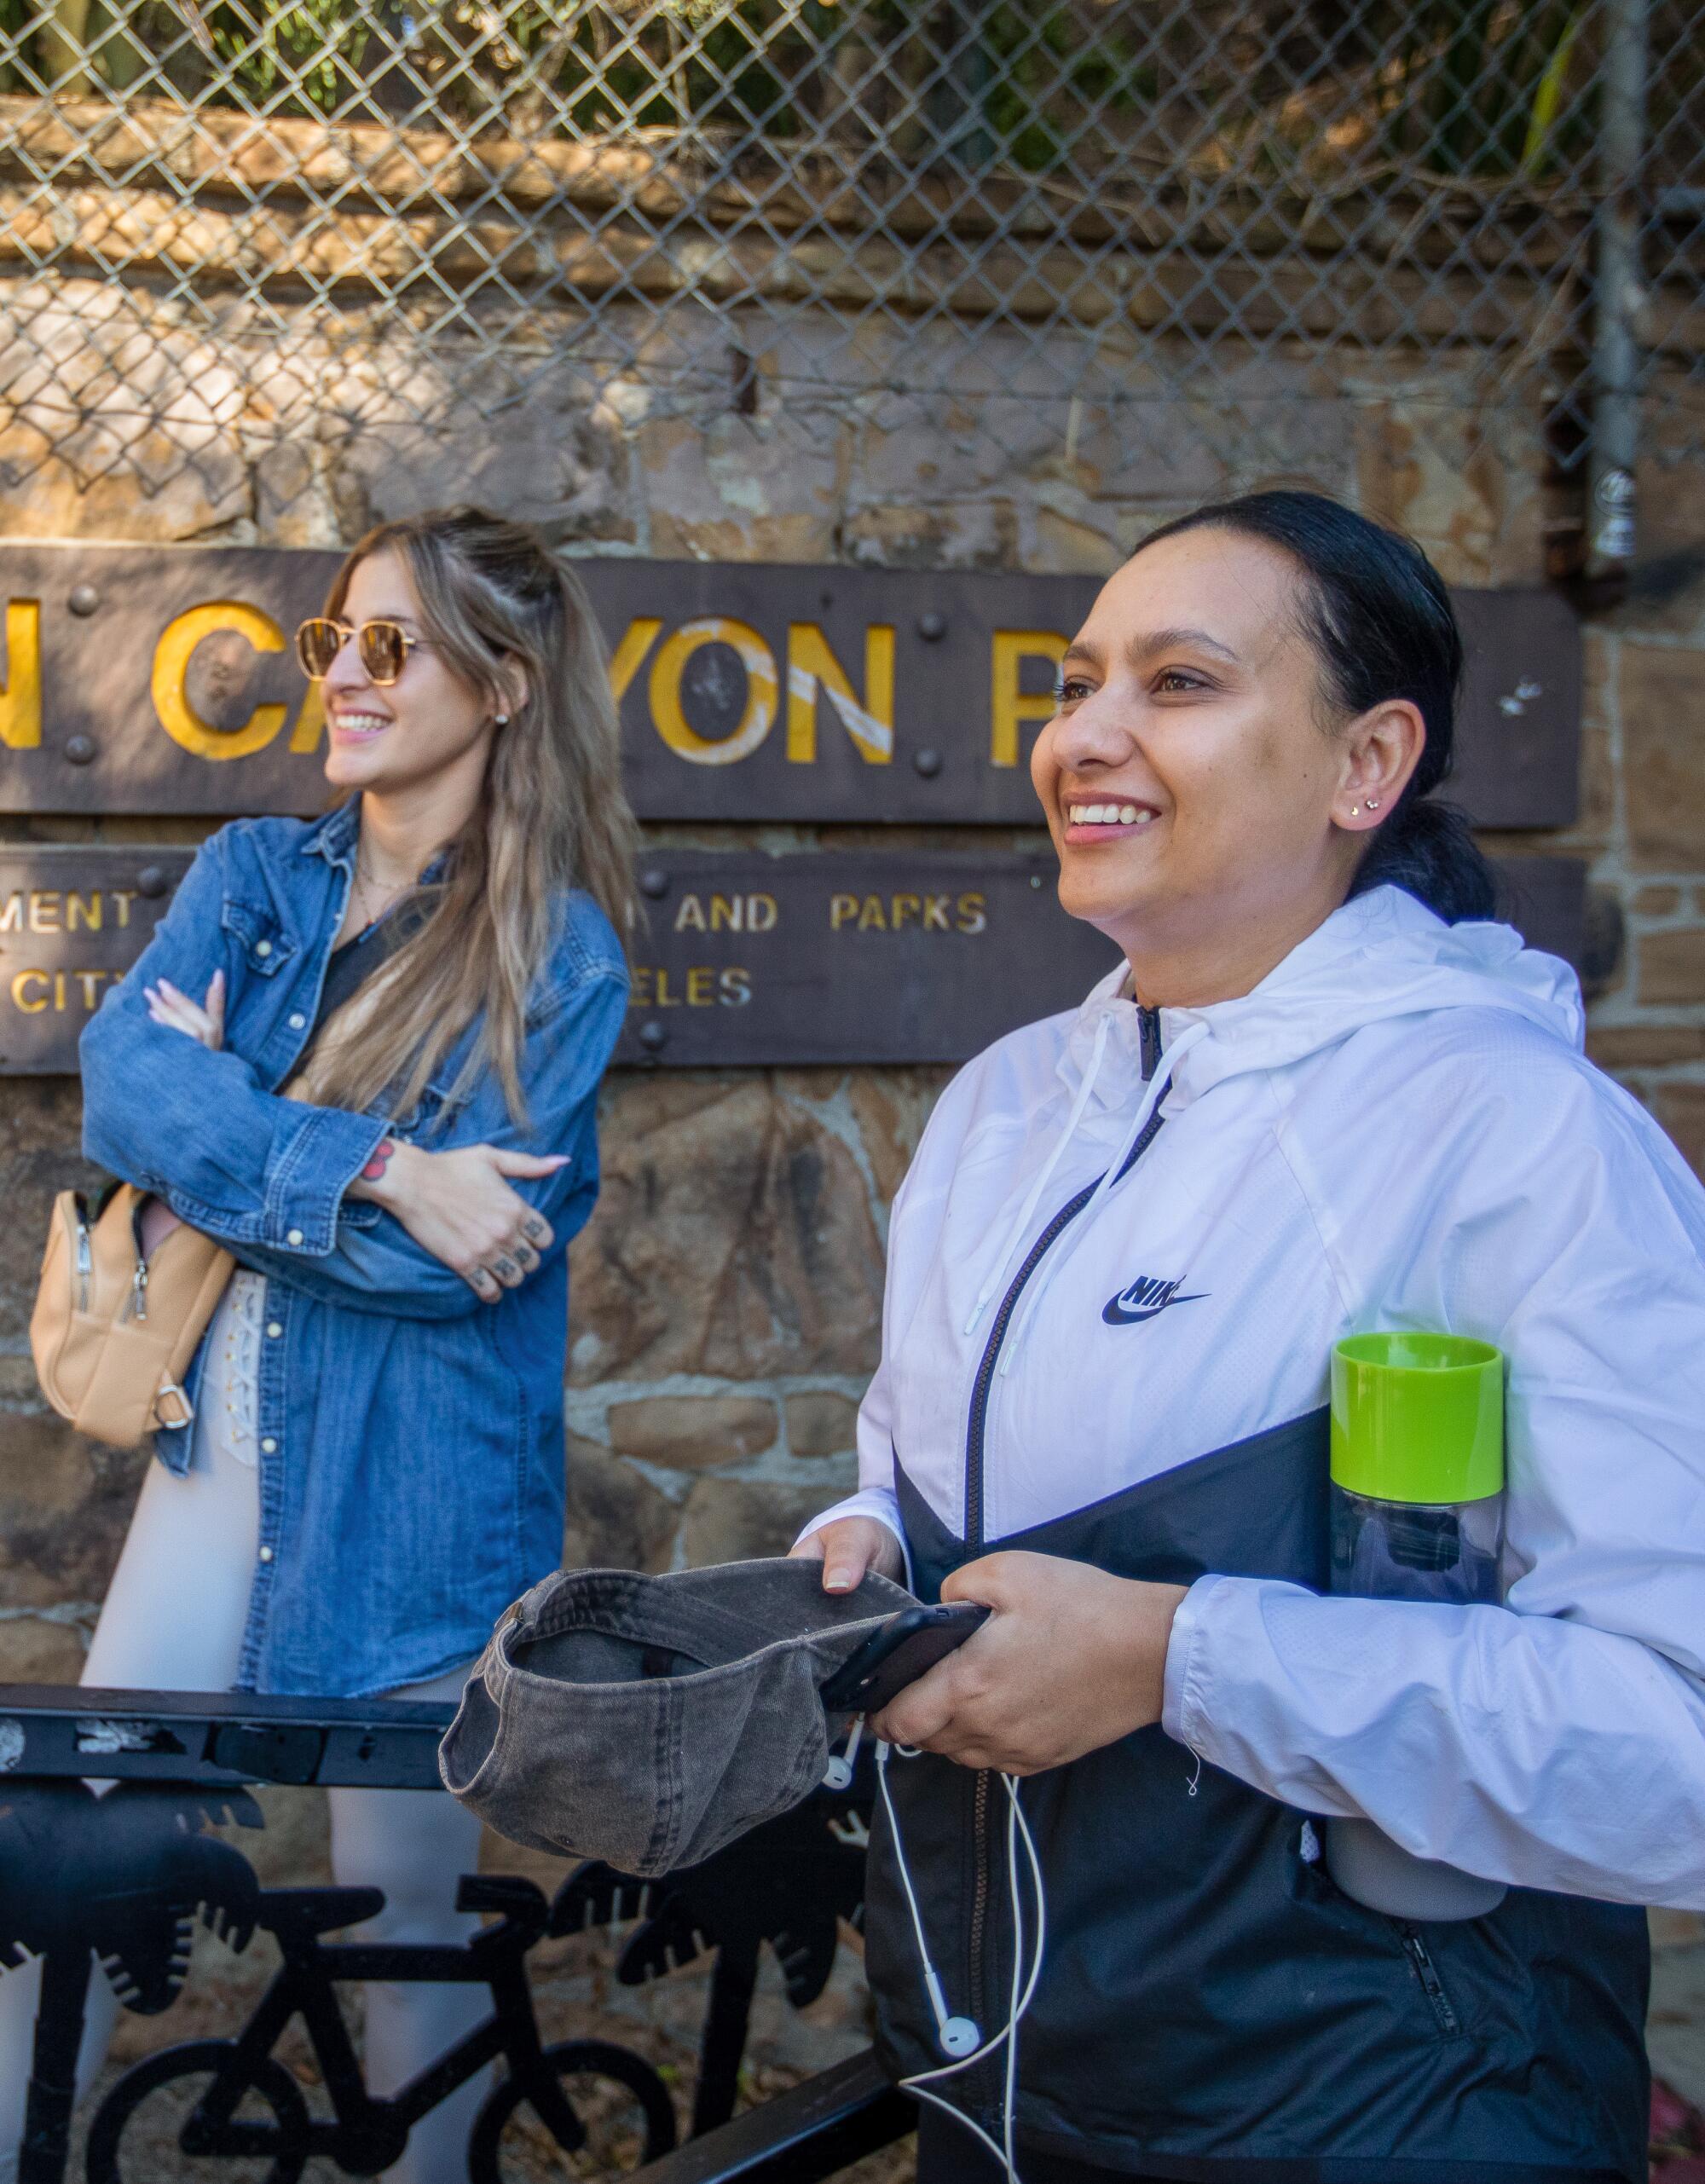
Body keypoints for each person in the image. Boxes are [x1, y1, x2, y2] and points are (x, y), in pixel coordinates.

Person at [795, 491, 1705, 2184]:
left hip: (1384, 2116)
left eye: (1181, 681)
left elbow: (1678, 1742)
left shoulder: (1513, 1135)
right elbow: (909, 1460)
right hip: (999, 2088)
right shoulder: (1003, 1105)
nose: (1089, 733)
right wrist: (853, 1554)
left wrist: (1173, 1658)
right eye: (1075, 684)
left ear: (1366, 768)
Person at [0, 506, 634, 2181]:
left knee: (407, 1938)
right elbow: (126, 1086)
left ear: (502, 687)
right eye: (330, 641)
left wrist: (238, 1129)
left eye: (391, 646)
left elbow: (465, 1274)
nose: (344, 677)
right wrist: (388, 1162)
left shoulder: (554, 954)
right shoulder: (253, 881)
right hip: (212, 1477)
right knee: (58, 1868)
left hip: (424, 1499)